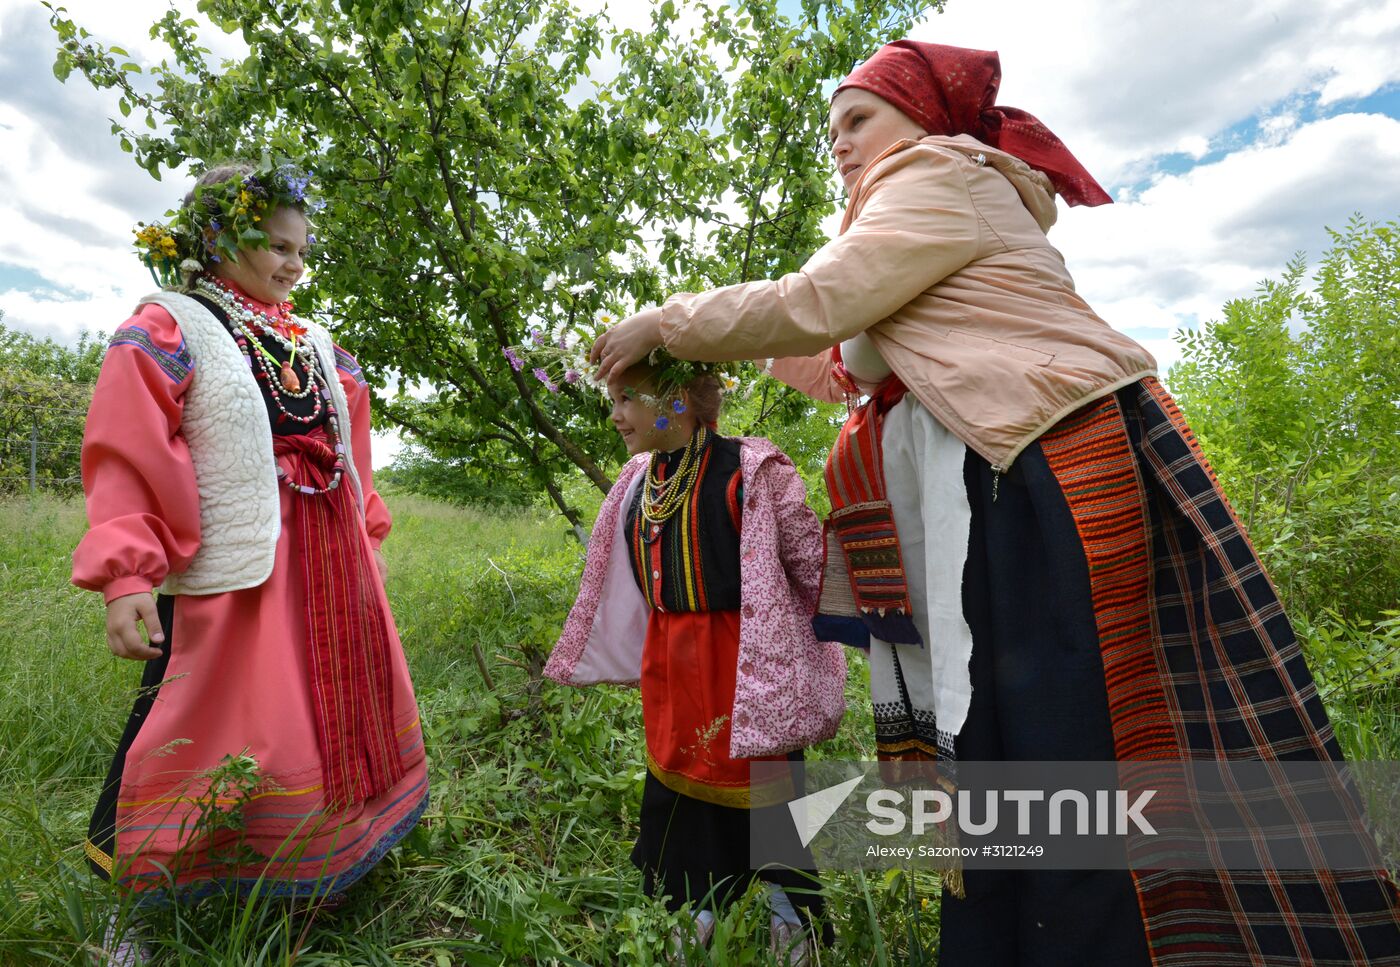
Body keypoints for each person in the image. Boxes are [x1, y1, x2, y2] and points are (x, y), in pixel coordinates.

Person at [589, 40, 1400, 967]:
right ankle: (1015, 937)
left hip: (1047, 472)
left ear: (923, 117)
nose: (842, 146)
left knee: (1061, 736)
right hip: (1001, 484)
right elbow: (839, 360)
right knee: (995, 738)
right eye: (833, 133)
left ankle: (1087, 940)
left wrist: (672, 320)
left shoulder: (942, 174)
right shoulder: (910, 238)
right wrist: (718, 354)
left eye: (858, 120)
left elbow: (816, 303)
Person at [74, 162, 427, 958]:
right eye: (275, 245)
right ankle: (143, 902)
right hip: (239, 577)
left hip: (332, 571)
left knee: (322, 712)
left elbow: (353, 453)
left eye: (302, 248)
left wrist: (366, 546)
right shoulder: (173, 325)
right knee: (196, 720)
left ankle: (317, 868)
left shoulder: (314, 343)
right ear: (216, 237)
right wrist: (128, 573)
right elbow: (128, 450)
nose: (294, 262)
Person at [543, 364, 845, 962]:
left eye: (626, 398)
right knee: (679, 787)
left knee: (769, 786)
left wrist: (857, 619)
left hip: (748, 662)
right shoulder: (638, 479)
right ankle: (698, 906)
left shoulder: (750, 470)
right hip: (672, 662)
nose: (615, 414)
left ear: (676, 398)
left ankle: (791, 915)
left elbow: (809, 558)